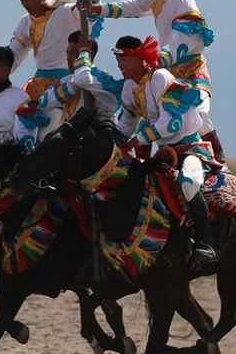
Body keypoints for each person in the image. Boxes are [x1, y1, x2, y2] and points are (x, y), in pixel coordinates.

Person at [71, 34, 217, 273]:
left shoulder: (160, 77)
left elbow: (171, 124)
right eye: (118, 59)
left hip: (190, 149)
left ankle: (208, 242)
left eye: (125, 59)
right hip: (164, 152)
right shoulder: (129, 87)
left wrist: (136, 139)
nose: (120, 64)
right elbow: (125, 125)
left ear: (141, 60)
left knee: (188, 183)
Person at [80, 0, 225, 161]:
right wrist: (98, 8)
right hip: (166, 69)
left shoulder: (185, 2)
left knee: (198, 114)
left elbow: (180, 39)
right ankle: (142, 166)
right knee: (150, 114)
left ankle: (219, 163)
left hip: (190, 72)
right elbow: (132, 6)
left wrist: (160, 59)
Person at [13, 31, 119, 152]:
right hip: (75, 146)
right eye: (67, 53)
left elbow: (83, 79)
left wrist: (72, 81)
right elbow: (45, 102)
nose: (68, 58)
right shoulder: (67, 80)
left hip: (100, 147)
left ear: (88, 54)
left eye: (73, 53)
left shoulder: (101, 79)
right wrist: (71, 85)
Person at [7, 0, 98, 101]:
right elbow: (13, 54)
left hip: (69, 82)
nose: (24, 5)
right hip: (38, 85)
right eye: (21, 0)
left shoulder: (65, 12)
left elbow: (92, 13)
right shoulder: (26, 22)